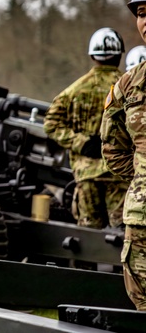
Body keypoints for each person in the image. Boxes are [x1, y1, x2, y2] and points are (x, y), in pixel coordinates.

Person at [45, 28, 128, 229]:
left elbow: (51, 124)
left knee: (88, 236)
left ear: (92, 56)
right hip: (120, 173)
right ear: (119, 55)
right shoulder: (129, 87)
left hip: (87, 175)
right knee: (124, 234)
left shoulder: (74, 90)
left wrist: (82, 143)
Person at [101, 0, 146, 311]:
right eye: (142, 13)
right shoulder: (129, 83)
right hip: (142, 221)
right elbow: (112, 144)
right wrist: (141, 180)